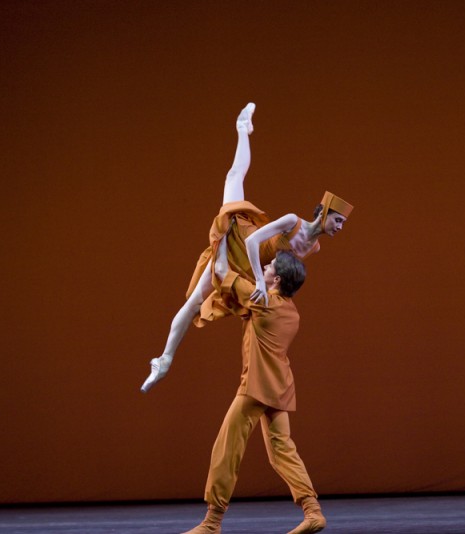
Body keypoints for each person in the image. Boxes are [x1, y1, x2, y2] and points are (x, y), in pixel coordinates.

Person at [141, 103, 353, 393]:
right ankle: (164, 361)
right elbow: (254, 241)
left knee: (199, 299)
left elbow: (283, 270)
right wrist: (258, 280)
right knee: (233, 177)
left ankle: (165, 360)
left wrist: (265, 290)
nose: (340, 228)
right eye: (338, 220)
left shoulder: (313, 247)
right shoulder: (293, 222)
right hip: (240, 237)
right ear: (325, 212)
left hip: (251, 270)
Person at [182, 237, 325, 534]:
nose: (266, 265)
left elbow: (221, 269)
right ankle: (313, 511)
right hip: (280, 387)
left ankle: (212, 522)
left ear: (278, 278)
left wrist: (221, 236)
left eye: (271, 265)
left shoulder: (263, 301)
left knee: (227, 448)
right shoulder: (289, 310)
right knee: (283, 450)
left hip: (256, 388)